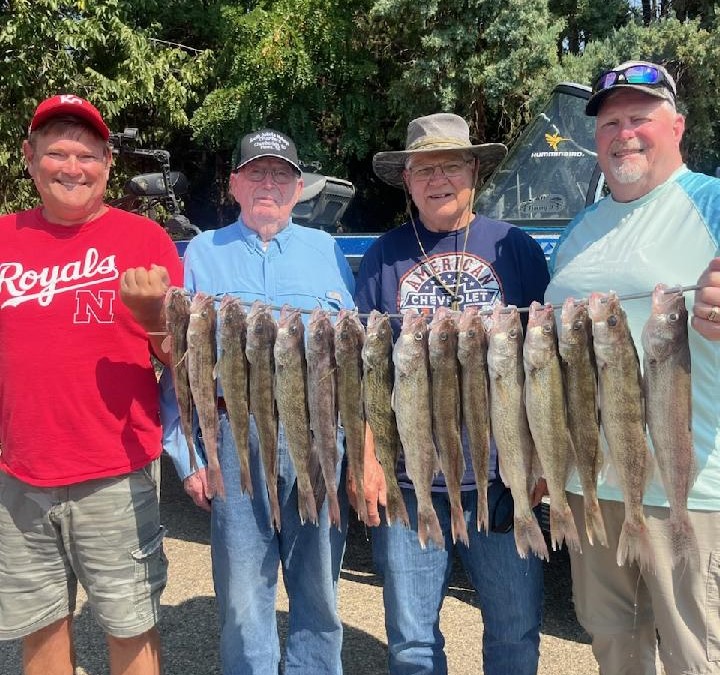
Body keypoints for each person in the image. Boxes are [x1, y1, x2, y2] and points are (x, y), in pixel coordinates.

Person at [353, 112, 549, 675]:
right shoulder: (383, 256)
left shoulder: (515, 247)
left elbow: (546, 364)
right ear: (407, 181)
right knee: (411, 642)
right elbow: (368, 371)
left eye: (451, 166)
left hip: (503, 475)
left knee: (515, 631)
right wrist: (367, 458)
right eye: (424, 169)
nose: (438, 179)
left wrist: (540, 460)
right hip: (410, 478)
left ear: (474, 173)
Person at [545, 60, 720, 675]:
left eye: (639, 118)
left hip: (689, 488)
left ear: (677, 126)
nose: (624, 134)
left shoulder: (712, 202)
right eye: (609, 123)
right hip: (592, 484)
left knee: (695, 655)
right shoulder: (577, 231)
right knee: (615, 649)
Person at [161, 128, 355, 674]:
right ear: (234, 185)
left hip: (317, 433)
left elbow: (355, 359)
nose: (268, 183)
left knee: (319, 588)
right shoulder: (202, 252)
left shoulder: (327, 251)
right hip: (233, 434)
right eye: (256, 173)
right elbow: (180, 364)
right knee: (243, 596)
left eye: (280, 174)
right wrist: (188, 456)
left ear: (298, 188)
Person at [0, 94, 183, 675]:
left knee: (130, 627)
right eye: (57, 153)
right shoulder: (3, 237)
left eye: (86, 155)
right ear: (29, 158)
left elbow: (184, 360)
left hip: (116, 472)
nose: (71, 168)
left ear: (107, 164)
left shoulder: (146, 240)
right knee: (41, 629)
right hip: (19, 473)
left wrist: (154, 316)